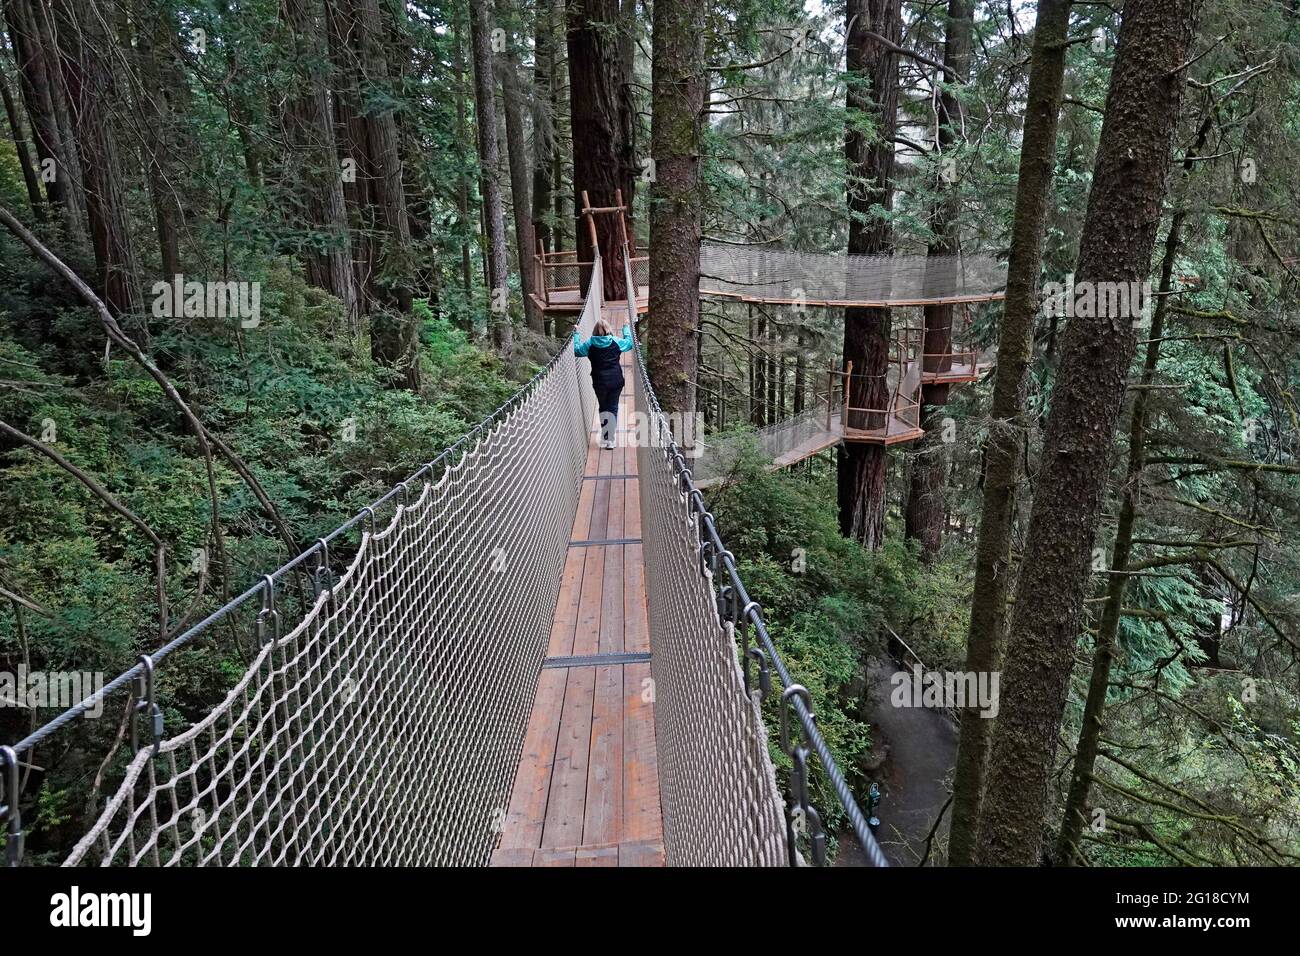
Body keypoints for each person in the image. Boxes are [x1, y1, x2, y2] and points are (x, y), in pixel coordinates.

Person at [573, 319, 634, 449]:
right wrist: (625, 327)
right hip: (615, 381)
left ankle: (606, 436)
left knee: (603, 407)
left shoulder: (590, 344)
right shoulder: (616, 341)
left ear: (594, 331)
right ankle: (610, 439)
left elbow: (577, 351)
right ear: (609, 329)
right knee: (613, 408)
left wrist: (576, 334)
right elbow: (629, 344)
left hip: (599, 381)